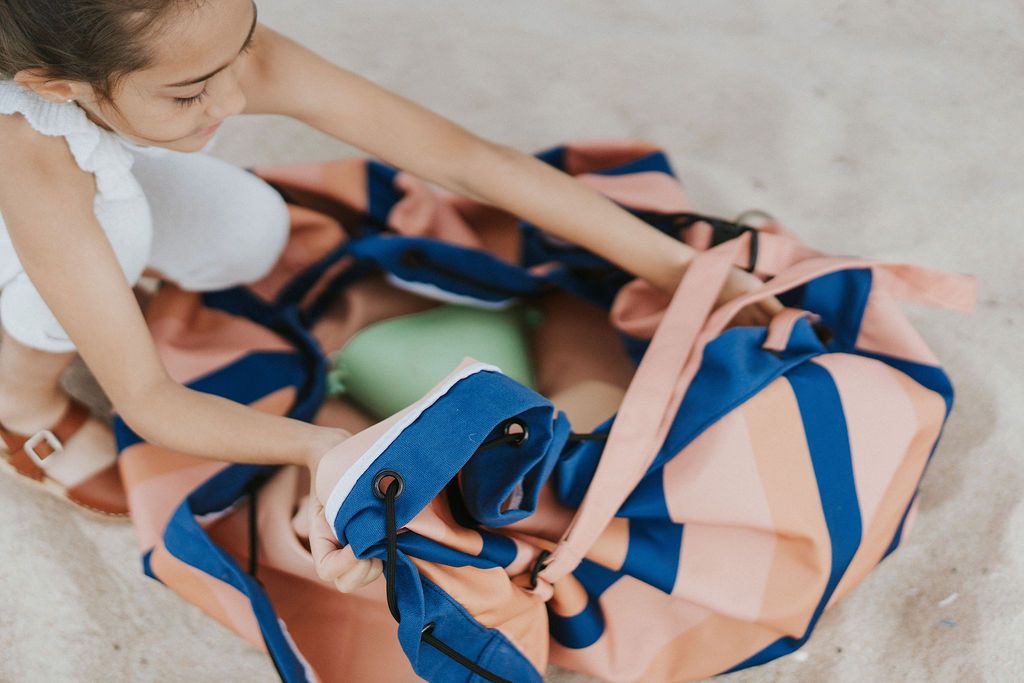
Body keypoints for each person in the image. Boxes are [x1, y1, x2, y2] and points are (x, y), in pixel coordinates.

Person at [0, 0, 778, 595]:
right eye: (191, 93)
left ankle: (105, 261)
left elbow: (466, 160)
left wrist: (678, 267)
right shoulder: (34, 159)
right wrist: (314, 446)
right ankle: (20, 403)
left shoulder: (190, 30)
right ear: (56, 86)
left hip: (84, 151)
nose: (234, 96)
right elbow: (145, 397)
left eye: (243, 47)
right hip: (28, 196)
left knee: (249, 230)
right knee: (112, 236)